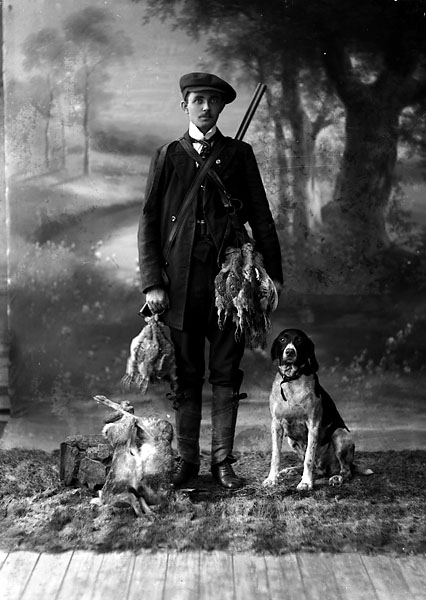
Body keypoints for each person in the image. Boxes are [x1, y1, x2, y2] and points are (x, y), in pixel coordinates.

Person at [138, 72, 283, 490]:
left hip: (230, 284)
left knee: (225, 370)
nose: (205, 107)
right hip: (180, 282)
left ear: (221, 107)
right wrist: (153, 282)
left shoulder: (240, 154)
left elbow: (262, 217)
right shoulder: (167, 156)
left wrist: (272, 278)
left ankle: (222, 462)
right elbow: (149, 222)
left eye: (213, 101)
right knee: (186, 373)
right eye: (198, 100)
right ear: (185, 105)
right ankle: (187, 461)